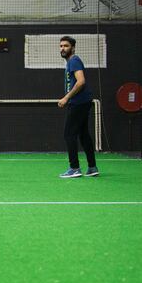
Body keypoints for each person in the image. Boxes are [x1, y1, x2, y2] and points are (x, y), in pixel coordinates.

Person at [57, 36, 99, 178]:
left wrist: (66, 97)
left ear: (73, 48)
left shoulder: (74, 60)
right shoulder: (70, 62)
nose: (63, 48)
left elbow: (81, 82)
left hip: (78, 103)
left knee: (69, 134)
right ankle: (92, 167)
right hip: (82, 102)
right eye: (61, 46)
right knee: (83, 134)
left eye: (66, 46)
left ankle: (74, 168)